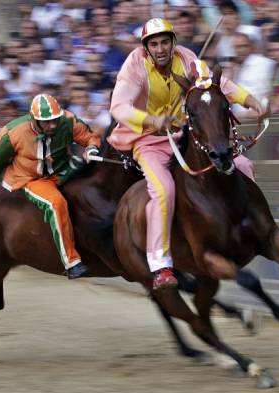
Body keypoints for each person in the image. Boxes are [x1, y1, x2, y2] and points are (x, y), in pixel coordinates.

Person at [108, 18, 269, 290]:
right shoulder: (134, 65)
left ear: (173, 43)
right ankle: (161, 266)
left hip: (182, 135)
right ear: (146, 49)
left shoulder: (188, 59)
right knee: (164, 189)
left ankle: (245, 229)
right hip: (147, 141)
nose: (160, 49)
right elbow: (118, 108)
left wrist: (250, 100)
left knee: (241, 163)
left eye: (165, 42)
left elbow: (220, 85)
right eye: (154, 44)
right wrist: (151, 120)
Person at [0, 94, 101, 279]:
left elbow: (90, 137)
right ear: (34, 119)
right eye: (46, 122)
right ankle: (71, 262)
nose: (52, 125)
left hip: (63, 170)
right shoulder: (13, 132)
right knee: (56, 203)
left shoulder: (68, 120)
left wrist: (91, 149)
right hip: (30, 178)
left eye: (54, 120)